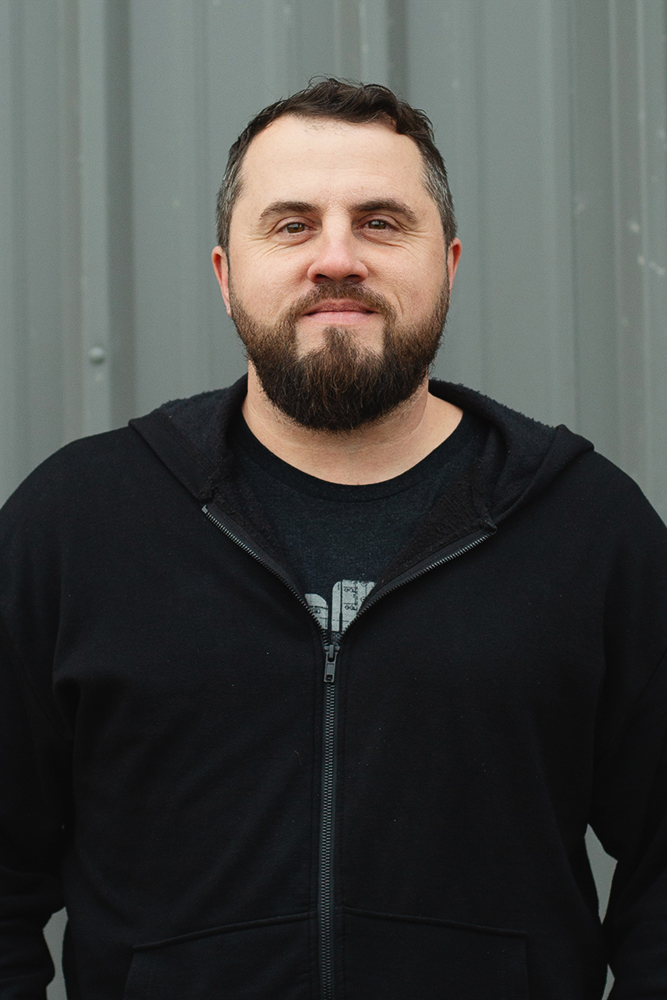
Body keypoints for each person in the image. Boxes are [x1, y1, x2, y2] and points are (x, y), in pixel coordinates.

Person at [1, 78, 666, 1000]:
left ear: (450, 264)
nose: (337, 258)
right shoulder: (76, 525)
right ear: (226, 277)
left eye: (383, 222)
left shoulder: (590, 530)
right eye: (291, 225)